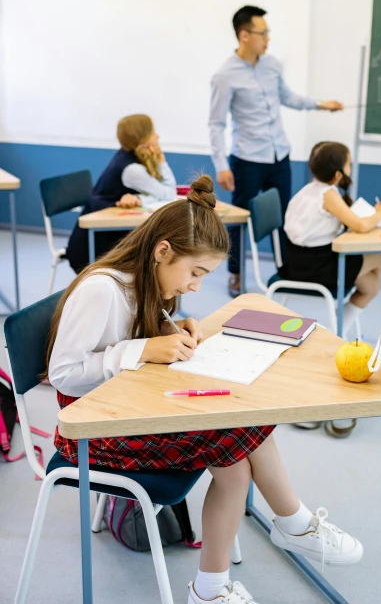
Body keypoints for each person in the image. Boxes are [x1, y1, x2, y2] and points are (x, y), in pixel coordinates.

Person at [47, 176, 363, 604]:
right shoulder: (103, 288)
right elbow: (63, 375)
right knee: (237, 444)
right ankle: (292, 525)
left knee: (241, 438)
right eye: (195, 272)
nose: (196, 285)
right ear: (162, 251)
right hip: (89, 429)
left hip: (129, 404)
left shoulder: (146, 280)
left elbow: (127, 338)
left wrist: (169, 328)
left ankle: (216, 585)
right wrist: (143, 347)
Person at [209, 5, 344, 298]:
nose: (268, 39)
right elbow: (216, 123)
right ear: (244, 35)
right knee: (240, 221)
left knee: (285, 216)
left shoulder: (271, 65)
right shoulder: (225, 75)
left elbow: (287, 97)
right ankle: (235, 274)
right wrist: (221, 164)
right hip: (247, 159)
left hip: (278, 155)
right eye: (263, 33)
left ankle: (288, 270)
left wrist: (320, 104)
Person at [282, 141, 381, 333]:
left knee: (372, 285)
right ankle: (339, 329)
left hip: (297, 260)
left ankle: (339, 324)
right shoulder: (328, 194)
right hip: (313, 267)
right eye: (349, 164)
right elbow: (360, 226)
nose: (350, 168)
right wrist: (380, 214)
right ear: (337, 174)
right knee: (375, 266)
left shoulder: (310, 189)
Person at [66, 114, 177, 273]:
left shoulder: (128, 156)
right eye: (153, 132)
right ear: (142, 139)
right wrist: (161, 160)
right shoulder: (132, 169)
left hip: (108, 237)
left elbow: (161, 193)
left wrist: (139, 199)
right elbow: (168, 193)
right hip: (93, 246)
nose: (157, 136)